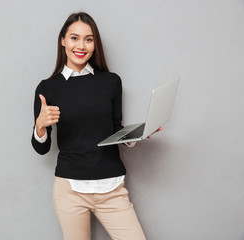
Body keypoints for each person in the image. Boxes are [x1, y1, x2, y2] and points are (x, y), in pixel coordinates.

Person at [31, 12, 161, 240]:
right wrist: (40, 126)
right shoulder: (47, 88)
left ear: (95, 44)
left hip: (112, 188)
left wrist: (138, 135)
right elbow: (41, 148)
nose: (81, 46)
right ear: (63, 40)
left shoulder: (111, 82)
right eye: (74, 38)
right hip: (70, 190)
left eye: (88, 39)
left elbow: (113, 128)